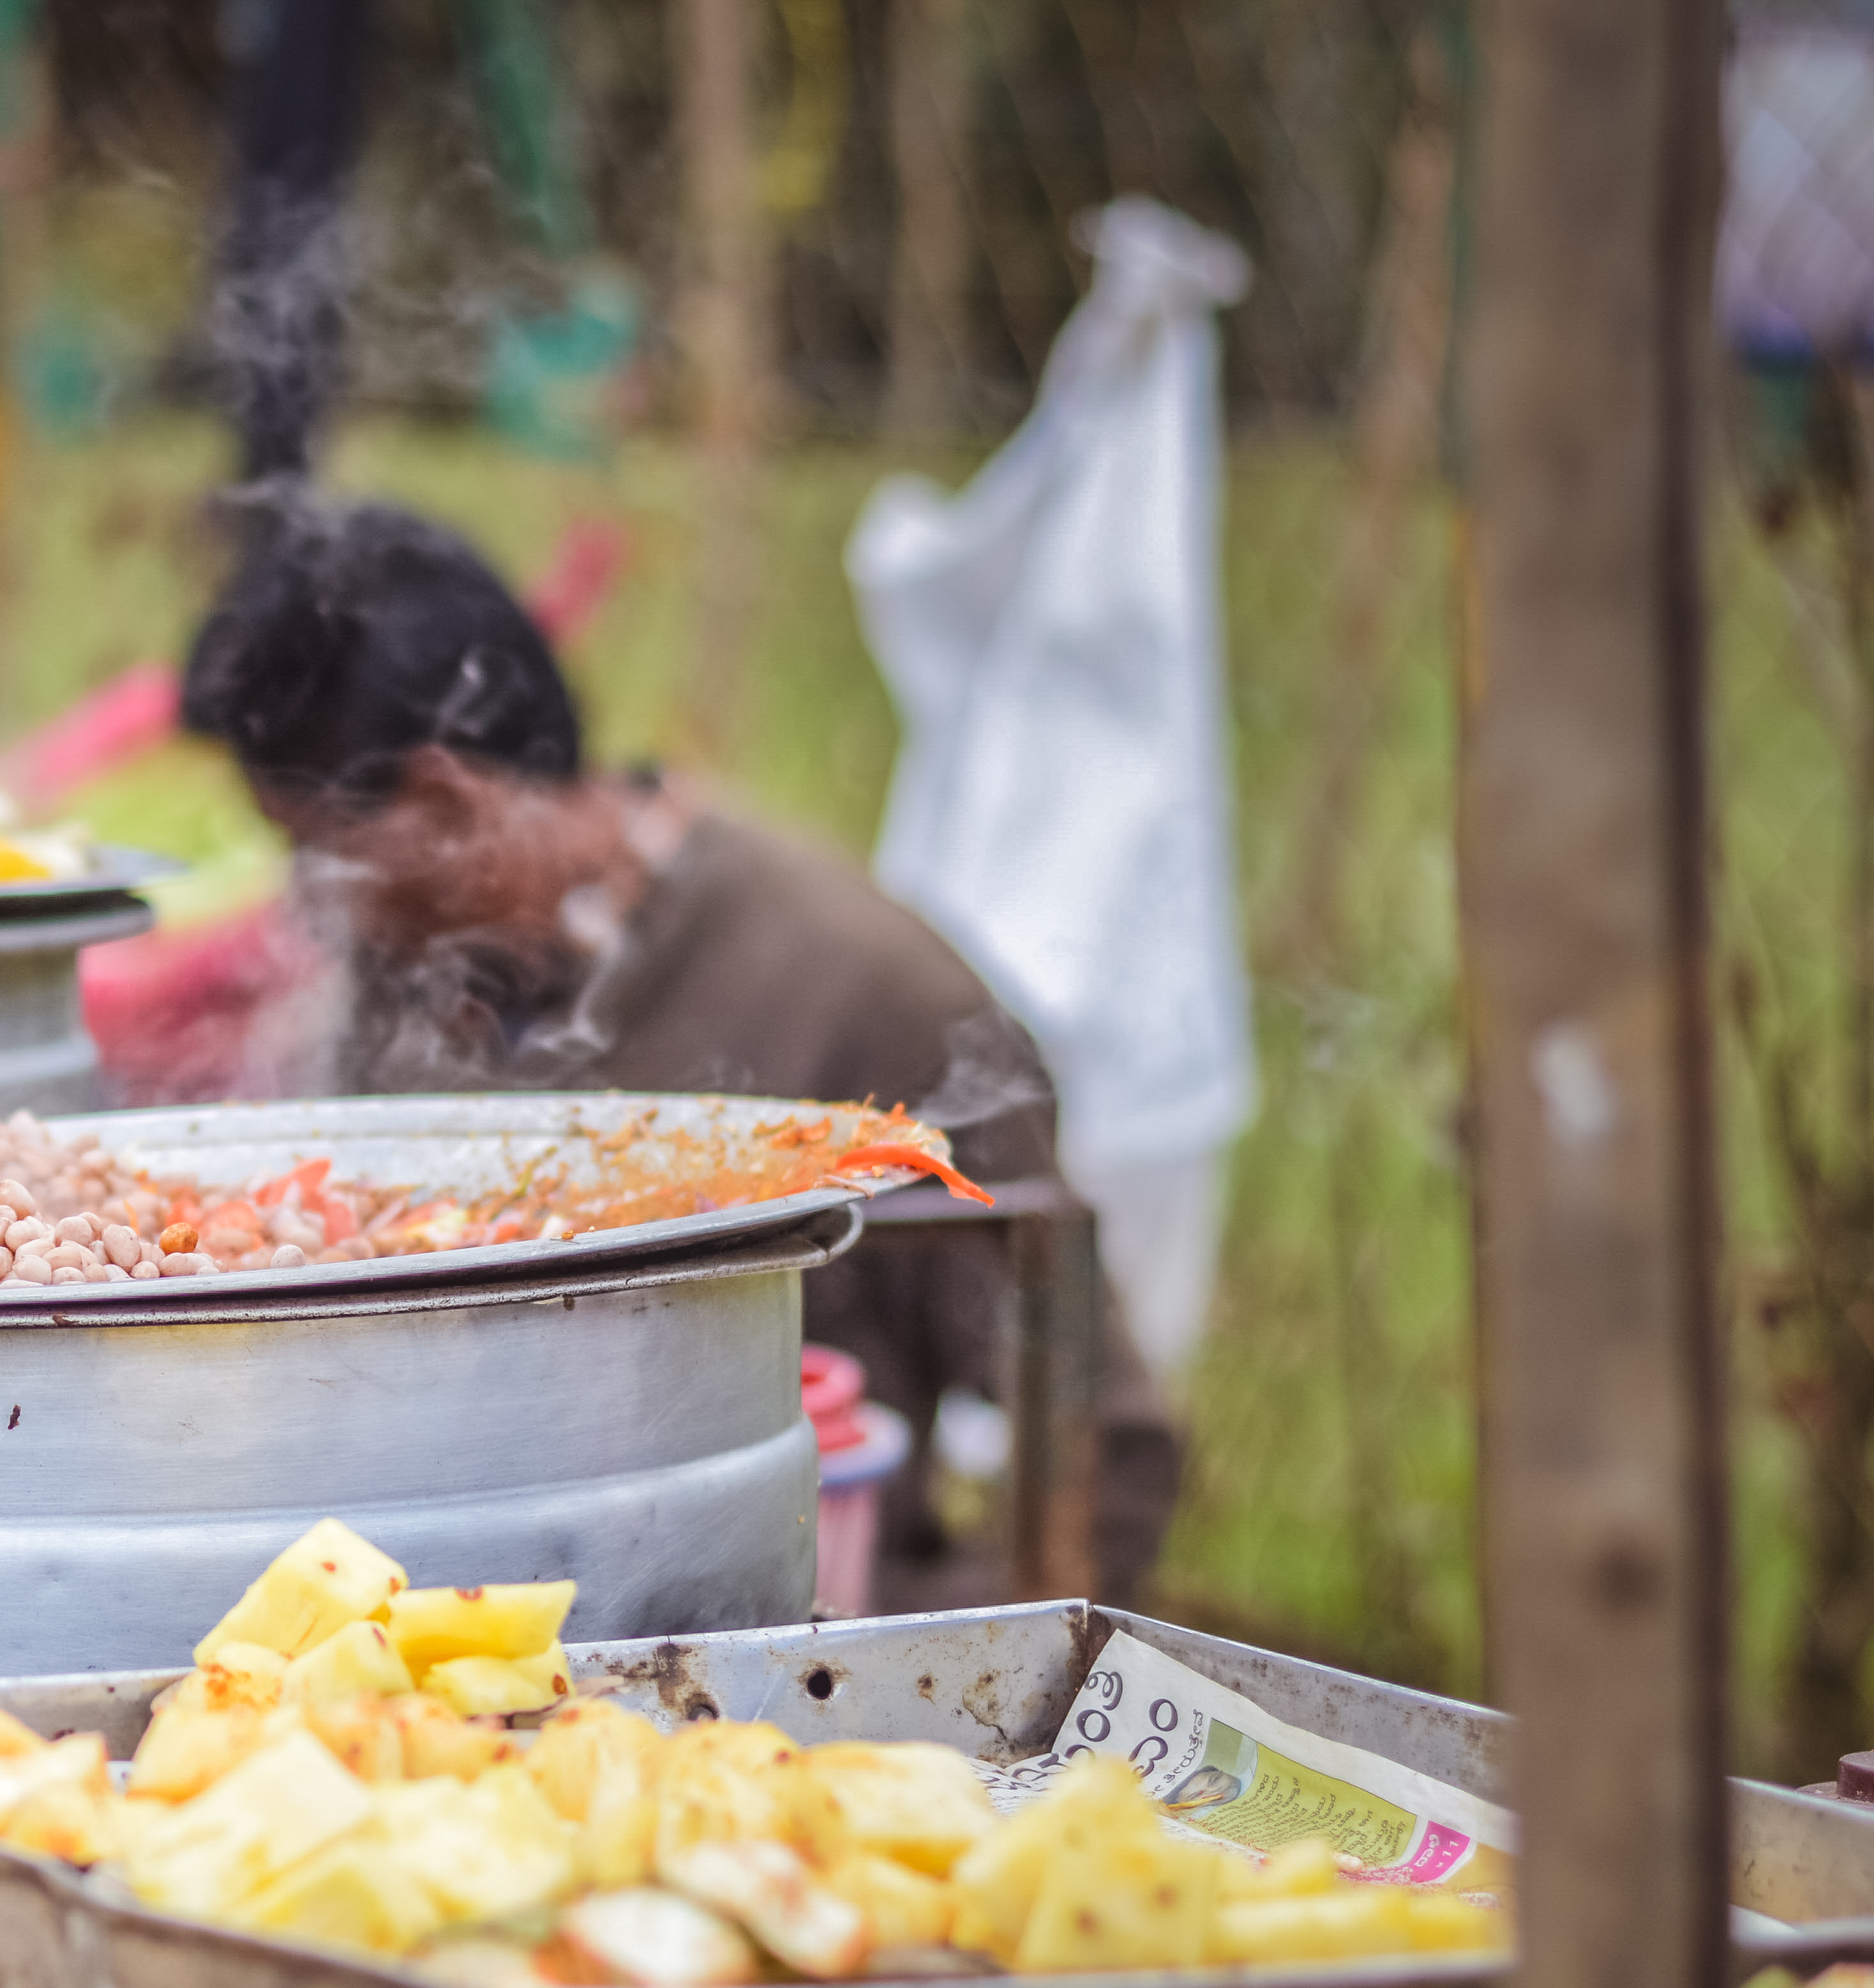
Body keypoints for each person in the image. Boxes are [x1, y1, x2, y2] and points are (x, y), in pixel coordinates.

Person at [177, 490, 1181, 1606]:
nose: (314, 901)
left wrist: (921, 1682)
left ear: (445, 799)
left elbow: (1102, 1451)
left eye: (322, 852)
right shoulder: (398, 992)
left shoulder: (866, 994)